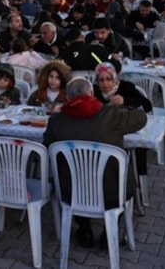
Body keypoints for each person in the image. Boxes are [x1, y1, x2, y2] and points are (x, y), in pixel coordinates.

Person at [44, 77, 146, 249]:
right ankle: (108, 233)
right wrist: (119, 105)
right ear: (92, 94)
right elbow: (141, 118)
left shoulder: (56, 122)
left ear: (67, 98)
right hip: (112, 190)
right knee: (122, 178)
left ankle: (84, 230)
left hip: (72, 191)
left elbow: (48, 146)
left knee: (73, 175)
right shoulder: (112, 114)